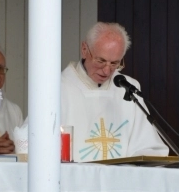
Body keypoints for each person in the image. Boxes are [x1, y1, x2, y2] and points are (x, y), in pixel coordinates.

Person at [61, 22, 168, 162]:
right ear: (84, 49)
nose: (106, 71)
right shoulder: (59, 88)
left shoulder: (129, 88)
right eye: (101, 61)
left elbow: (148, 147)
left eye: (114, 63)